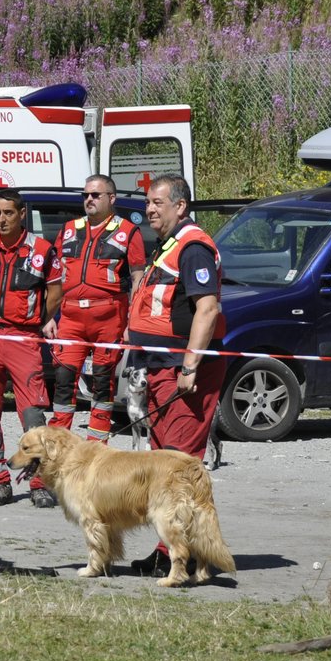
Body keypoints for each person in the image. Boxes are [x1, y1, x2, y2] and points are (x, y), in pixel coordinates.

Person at [123, 174, 225, 576]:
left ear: (180, 206)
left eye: (157, 202)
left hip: (184, 373)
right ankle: (181, 550)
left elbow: (207, 309)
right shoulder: (169, 245)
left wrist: (189, 365)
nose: (149, 209)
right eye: (148, 203)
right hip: (159, 368)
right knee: (165, 463)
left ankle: (176, 557)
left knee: (177, 469)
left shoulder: (193, 246)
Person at [0, 188, 56, 506]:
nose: (1, 219)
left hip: (24, 337)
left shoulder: (42, 250)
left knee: (33, 412)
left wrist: (36, 320)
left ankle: (38, 481)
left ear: (21, 214)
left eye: (8, 213)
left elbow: (55, 290)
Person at [44, 174, 147, 442]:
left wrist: (130, 323)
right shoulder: (69, 229)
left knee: (103, 383)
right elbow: (53, 277)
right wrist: (49, 317)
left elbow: (138, 279)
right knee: (64, 379)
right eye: (86, 195)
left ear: (111, 198)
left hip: (109, 317)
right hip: (70, 316)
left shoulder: (128, 232)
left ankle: (95, 446)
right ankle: (57, 442)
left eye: (95, 195)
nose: (88, 199)